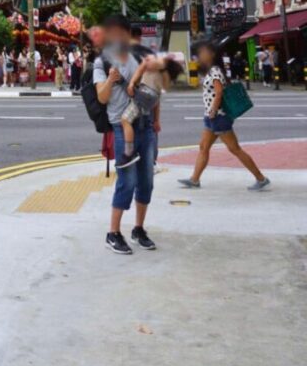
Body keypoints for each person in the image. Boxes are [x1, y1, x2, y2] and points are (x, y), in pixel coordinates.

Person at [94, 14, 158, 254]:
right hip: (122, 128)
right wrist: (111, 81)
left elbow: (151, 88)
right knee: (127, 181)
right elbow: (101, 97)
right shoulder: (103, 62)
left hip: (145, 125)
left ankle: (138, 229)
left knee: (146, 182)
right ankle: (113, 233)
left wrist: (157, 120)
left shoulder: (138, 56)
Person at [178, 40, 270, 191]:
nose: (200, 55)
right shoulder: (211, 70)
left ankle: (261, 178)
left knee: (234, 149)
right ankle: (194, 179)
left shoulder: (215, 71)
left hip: (219, 117)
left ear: (212, 55)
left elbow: (219, 92)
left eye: (203, 52)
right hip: (212, 117)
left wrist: (213, 110)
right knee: (203, 147)